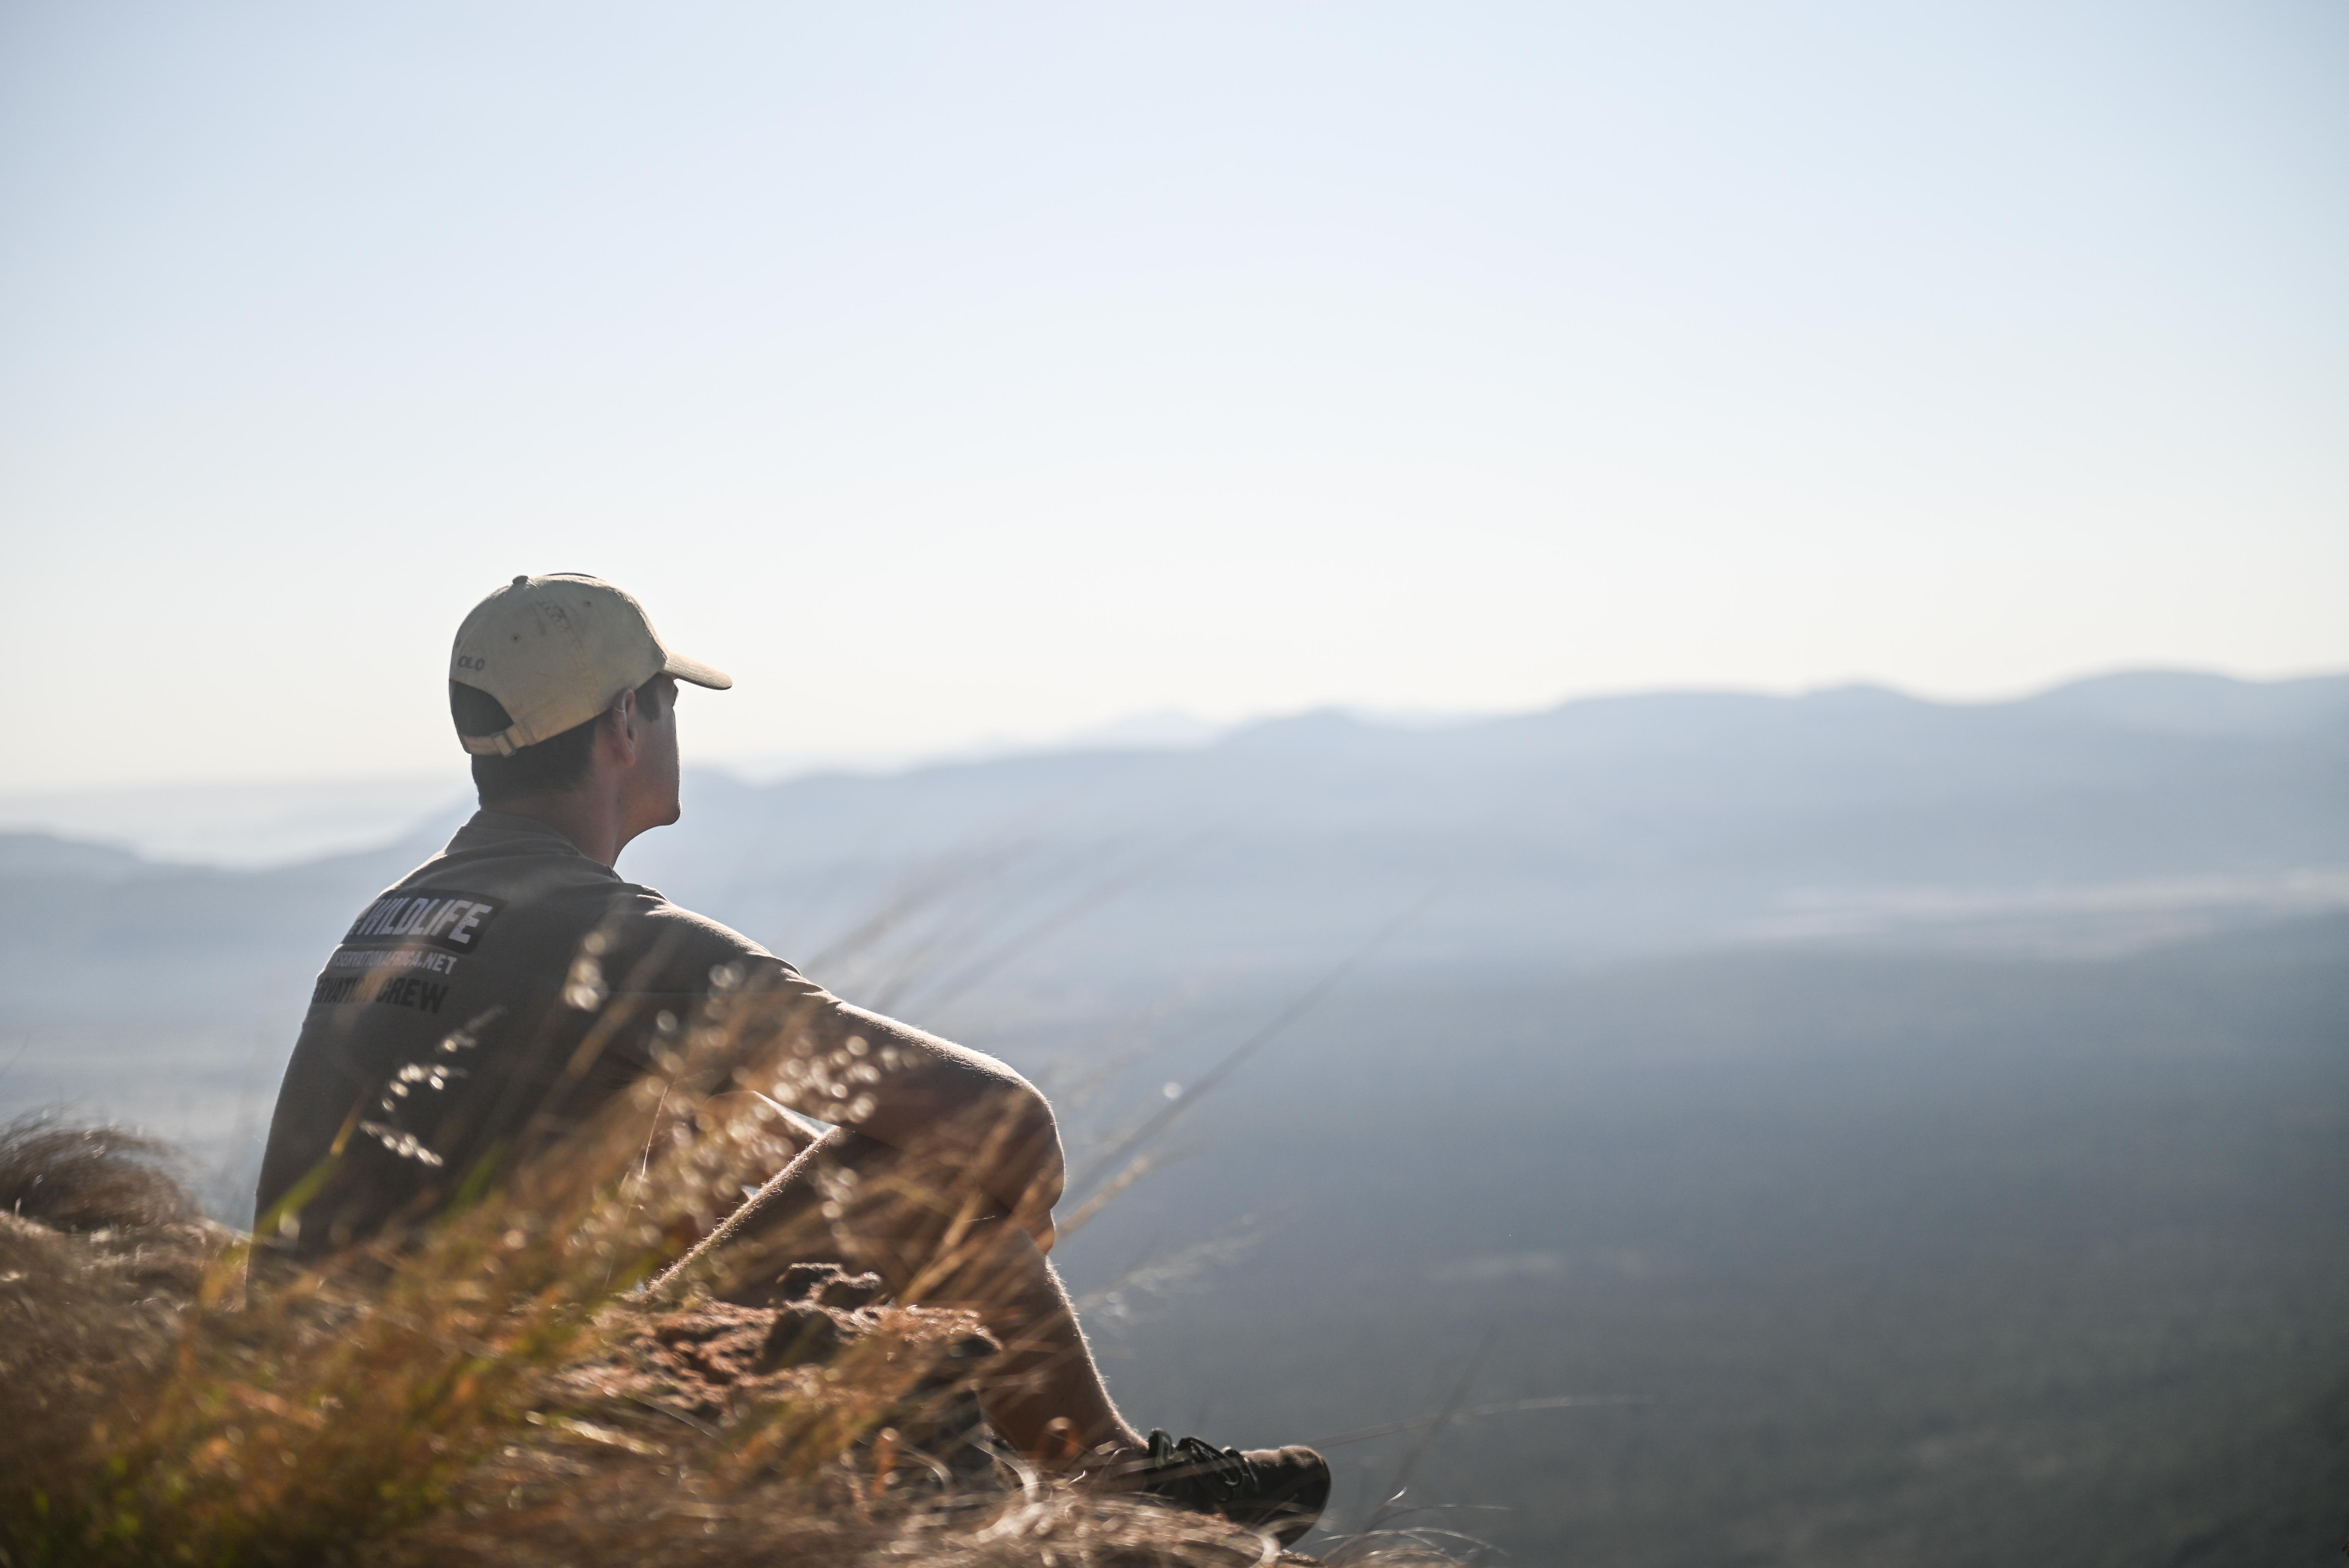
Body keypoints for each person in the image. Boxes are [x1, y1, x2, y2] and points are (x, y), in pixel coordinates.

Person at [253, 573, 1329, 1544]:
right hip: (488, 1417)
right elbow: (1003, 1124)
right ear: (625, 722)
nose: (675, 727)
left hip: (334, 1405)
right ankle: (1110, 1490)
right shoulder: (608, 935)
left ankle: (1105, 1478)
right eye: (668, 702)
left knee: (712, 1124)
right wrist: (977, 1246)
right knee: (933, 1192)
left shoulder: (406, 914)